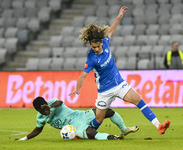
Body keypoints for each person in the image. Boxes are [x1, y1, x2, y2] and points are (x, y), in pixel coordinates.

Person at [69, 6, 170, 135]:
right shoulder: (91, 59)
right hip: (104, 91)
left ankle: (158, 125)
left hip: (118, 84)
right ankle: (83, 133)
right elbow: (83, 76)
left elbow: (110, 31)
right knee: (99, 119)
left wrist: (118, 17)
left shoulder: (105, 43)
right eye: (93, 47)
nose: (96, 49)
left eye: (97, 46)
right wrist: (77, 89)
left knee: (137, 99)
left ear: (101, 43)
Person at [15, 97, 139, 141]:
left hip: (79, 115)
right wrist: (23, 139)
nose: (46, 111)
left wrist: (50, 106)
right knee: (91, 133)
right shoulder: (41, 117)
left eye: (45, 108)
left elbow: (60, 102)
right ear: (38, 111)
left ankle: (124, 129)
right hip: (74, 127)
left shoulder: (53, 103)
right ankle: (111, 137)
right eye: (42, 110)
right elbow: (37, 130)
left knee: (108, 111)